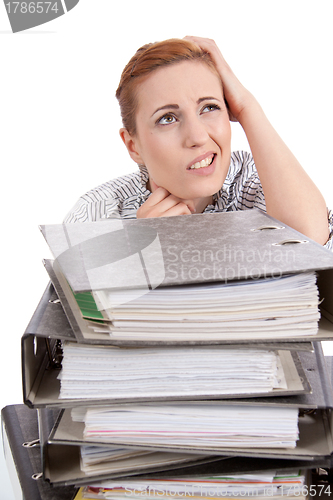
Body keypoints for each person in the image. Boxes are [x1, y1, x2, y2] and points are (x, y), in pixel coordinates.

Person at [64, 36, 333, 249]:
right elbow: (79, 314)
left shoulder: (255, 180)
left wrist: (248, 107)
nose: (198, 137)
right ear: (133, 146)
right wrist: (141, 253)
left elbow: (311, 241)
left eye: (209, 108)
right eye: (167, 118)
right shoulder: (95, 214)